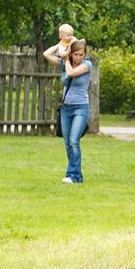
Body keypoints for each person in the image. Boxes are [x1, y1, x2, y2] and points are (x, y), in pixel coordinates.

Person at [44, 38, 92, 184]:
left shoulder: (86, 65)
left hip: (80, 108)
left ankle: (71, 175)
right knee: (67, 144)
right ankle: (77, 176)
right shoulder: (66, 62)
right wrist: (61, 44)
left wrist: (65, 59)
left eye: (81, 54)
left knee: (73, 141)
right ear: (71, 53)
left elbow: (70, 73)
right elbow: (46, 54)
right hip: (66, 109)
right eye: (76, 54)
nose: (78, 57)